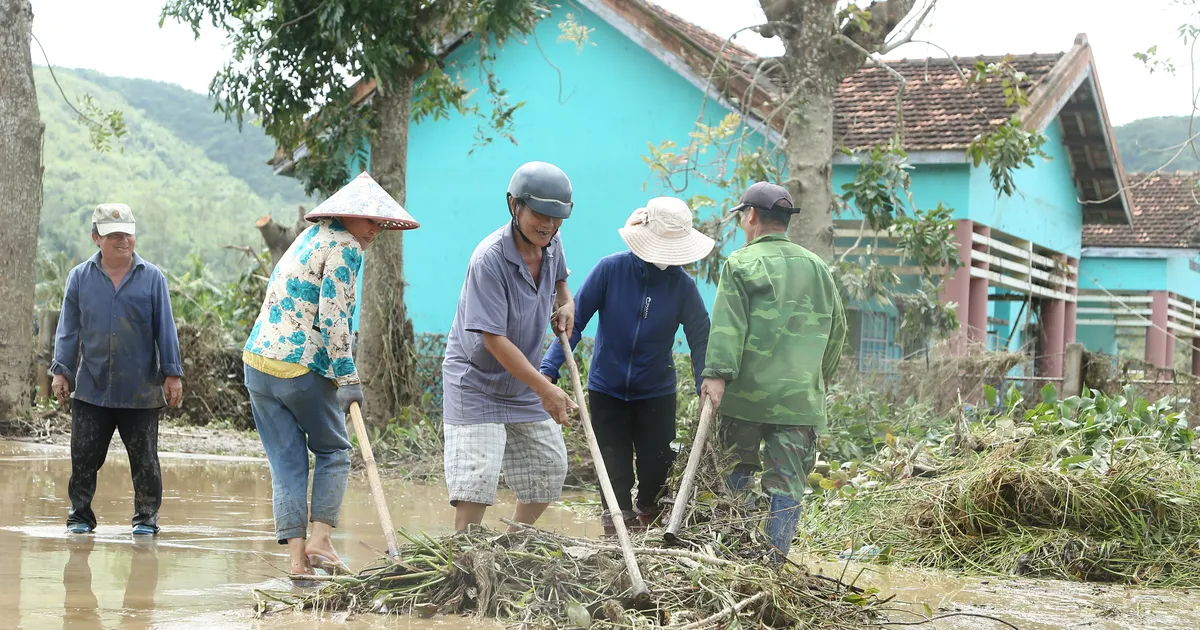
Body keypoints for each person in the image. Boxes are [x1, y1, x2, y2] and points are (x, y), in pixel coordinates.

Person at [241, 172, 420, 577]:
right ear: (347, 215)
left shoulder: (308, 238)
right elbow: (335, 317)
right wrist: (348, 378)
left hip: (257, 365)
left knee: (287, 464)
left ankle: (296, 562)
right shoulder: (345, 246)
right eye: (370, 220)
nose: (375, 229)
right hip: (300, 366)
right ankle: (320, 543)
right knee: (334, 452)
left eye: (380, 222)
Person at [540, 196, 713, 536]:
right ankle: (618, 533)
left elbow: (700, 337)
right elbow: (573, 322)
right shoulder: (610, 270)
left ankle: (647, 515)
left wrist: (705, 381)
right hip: (608, 389)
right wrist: (549, 367)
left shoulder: (682, 287)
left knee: (657, 467)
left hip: (656, 393)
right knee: (614, 468)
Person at [699, 182, 847, 562]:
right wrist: (819, 379)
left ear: (750, 216)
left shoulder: (741, 264)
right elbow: (838, 331)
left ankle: (731, 555)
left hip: (746, 399)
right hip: (800, 401)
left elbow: (727, 327)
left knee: (736, 474)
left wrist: (715, 375)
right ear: (786, 221)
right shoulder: (819, 268)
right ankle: (772, 564)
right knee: (787, 485)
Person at [442, 161, 579, 531]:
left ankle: (516, 541)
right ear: (514, 205)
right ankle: (466, 555)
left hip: (522, 383)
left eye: (557, 217)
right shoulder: (488, 259)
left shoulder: (551, 241)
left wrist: (566, 301)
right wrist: (546, 389)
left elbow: (561, 281)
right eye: (540, 214)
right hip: (476, 382)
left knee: (549, 466)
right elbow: (494, 340)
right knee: (477, 479)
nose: (548, 224)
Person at [51, 203, 184, 537]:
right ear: (97, 238)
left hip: (139, 390)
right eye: (113, 235)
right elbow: (68, 330)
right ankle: (80, 516)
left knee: (145, 461)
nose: (122, 240)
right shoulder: (79, 278)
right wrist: (61, 371)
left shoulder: (153, 279)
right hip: (91, 388)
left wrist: (172, 373)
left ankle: (145, 519)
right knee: (82, 458)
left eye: (127, 233)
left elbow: (165, 329)